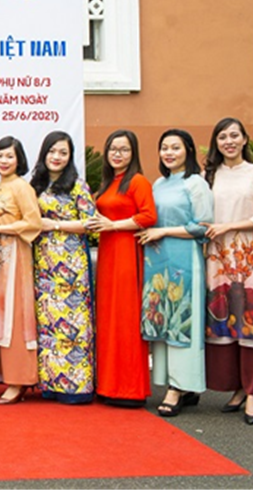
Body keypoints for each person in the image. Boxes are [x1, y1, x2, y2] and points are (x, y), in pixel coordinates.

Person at [202, 118, 253, 425]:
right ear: (216, 143)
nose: (229, 141)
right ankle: (237, 386)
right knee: (224, 319)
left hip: (250, 257)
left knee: (252, 322)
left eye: (234, 135)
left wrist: (228, 227)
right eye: (222, 137)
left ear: (245, 139)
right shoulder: (209, 176)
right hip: (218, 258)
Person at [136, 129, 213, 417]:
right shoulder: (159, 183)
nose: (169, 153)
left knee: (182, 320)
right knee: (162, 317)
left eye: (175, 147)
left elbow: (203, 226)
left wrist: (164, 231)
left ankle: (178, 387)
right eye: (164, 148)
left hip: (184, 258)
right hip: (157, 259)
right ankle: (177, 383)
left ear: (188, 150)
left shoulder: (196, 183)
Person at [87, 129, 157, 407]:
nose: (117, 154)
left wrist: (114, 225)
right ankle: (108, 385)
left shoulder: (137, 181)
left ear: (133, 153)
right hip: (107, 254)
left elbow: (149, 216)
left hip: (127, 253)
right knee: (108, 319)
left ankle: (130, 389)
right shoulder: (108, 183)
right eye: (113, 149)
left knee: (126, 318)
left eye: (124, 149)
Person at [30, 131, 96, 405]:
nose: (56, 157)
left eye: (63, 153)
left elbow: (91, 223)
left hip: (71, 263)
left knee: (73, 325)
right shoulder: (36, 185)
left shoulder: (77, 185)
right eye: (52, 151)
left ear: (70, 157)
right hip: (43, 262)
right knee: (49, 323)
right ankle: (51, 385)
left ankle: (77, 388)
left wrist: (56, 224)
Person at [0, 136, 42, 405]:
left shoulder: (22, 187)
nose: (3, 161)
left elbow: (33, 222)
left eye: (9, 156)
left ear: (19, 160)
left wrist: (1, 227)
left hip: (14, 255)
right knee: (0, 316)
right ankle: (9, 377)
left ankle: (20, 379)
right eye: (0, 155)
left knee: (15, 317)